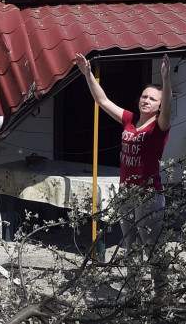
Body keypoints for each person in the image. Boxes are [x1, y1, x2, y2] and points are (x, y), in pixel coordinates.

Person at [74, 52, 172, 298]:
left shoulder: (159, 127)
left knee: (152, 247)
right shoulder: (129, 120)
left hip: (148, 195)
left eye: (152, 99)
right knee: (131, 247)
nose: (146, 101)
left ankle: (161, 295)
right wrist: (87, 74)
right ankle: (135, 292)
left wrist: (166, 79)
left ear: (159, 105)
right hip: (126, 191)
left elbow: (169, 106)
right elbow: (103, 101)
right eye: (144, 96)